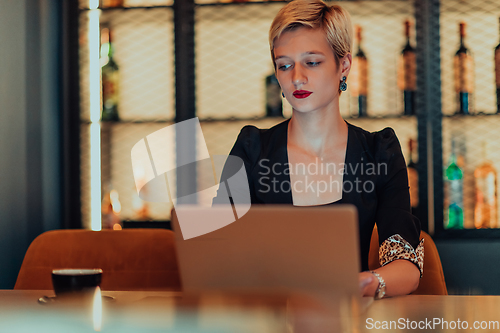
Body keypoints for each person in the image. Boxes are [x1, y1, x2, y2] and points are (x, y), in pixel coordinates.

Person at [215, 0, 423, 299]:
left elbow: (406, 264)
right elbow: (215, 253)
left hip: (349, 319)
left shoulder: (379, 152)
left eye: (312, 62)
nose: (296, 77)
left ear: (344, 65)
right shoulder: (251, 149)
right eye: (284, 65)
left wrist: (367, 282)